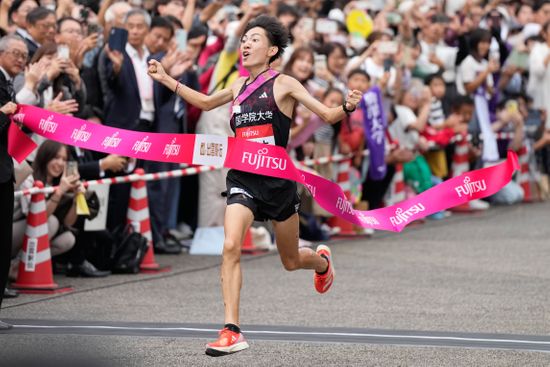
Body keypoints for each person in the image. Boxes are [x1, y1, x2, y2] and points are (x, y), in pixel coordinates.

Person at [147, 15, 362, 356]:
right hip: (242, 177)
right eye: (244, 39)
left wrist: (348, 105)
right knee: (231, 245)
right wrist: (165, 78)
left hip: (278, 182)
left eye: (254, 39)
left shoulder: (286, 84)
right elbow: (203, 102)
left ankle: (321, 263)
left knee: (290, 261)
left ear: (272, 50)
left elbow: (328, 115)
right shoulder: (237, 87)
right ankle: (231, 330)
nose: (245, 45)